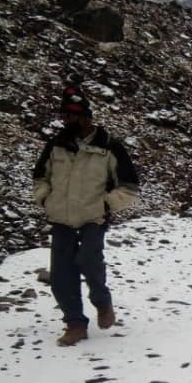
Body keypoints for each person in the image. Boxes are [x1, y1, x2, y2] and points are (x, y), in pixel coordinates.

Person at [33, 80, 140, 346]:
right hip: (61, 217)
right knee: (61, 274)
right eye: (64, 116)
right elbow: (40, 177)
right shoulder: (56, 145)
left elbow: (128, 186)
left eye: (71, 116)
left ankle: (102, 302)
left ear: (85, 117)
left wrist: (105, 205)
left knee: (89, 262)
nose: (67, 120)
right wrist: (45, 199)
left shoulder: (109, 146)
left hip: (93, 217)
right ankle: (75, 323)